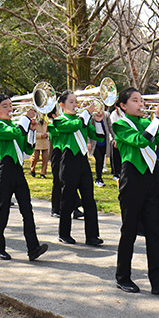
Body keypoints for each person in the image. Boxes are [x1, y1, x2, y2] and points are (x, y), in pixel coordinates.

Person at [112, 87, 159, 294]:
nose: (141, 104)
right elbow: (141, 140)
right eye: (135, 101)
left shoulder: (146, 122)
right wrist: (157, 120)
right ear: (123, 106)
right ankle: (123, 277)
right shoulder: (120, 124)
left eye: (141, 100)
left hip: (150, 178)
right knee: (129, 230)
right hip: (131, 178)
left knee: (153, 231)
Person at [0, 93, 49, 261]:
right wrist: (24, 119)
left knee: (27, 210)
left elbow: (28, 149)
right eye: (5, 106)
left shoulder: (16, 126)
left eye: (10, 105)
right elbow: (14, 133)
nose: (10, 109)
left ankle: (33, 248)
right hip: (5, 169)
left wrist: (31, 130)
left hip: (17, 170)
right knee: (4, 210)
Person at [54, 90, 105, 246]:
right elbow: (75, 125)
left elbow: (99, 137)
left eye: (76, 102)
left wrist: (97, 121)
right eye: (71, 102)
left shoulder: (82, 119)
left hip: (83, 161)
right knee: (67, 199)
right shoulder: (59, 121)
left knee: (89, 199)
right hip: (68, 161)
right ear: (62, 105)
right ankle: (64, 233)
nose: (76, 105)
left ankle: (92, 236)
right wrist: (86, 113)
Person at [30, 115, 50, 179]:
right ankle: (32, 169)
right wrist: (40, 135)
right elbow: (31, 132)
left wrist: (47, 134)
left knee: (45, 158)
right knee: (35, 157)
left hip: (45, 142)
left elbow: (50, 130)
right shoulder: (34, 122)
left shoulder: (47, 121)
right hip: (37, 142)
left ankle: (43, 173)